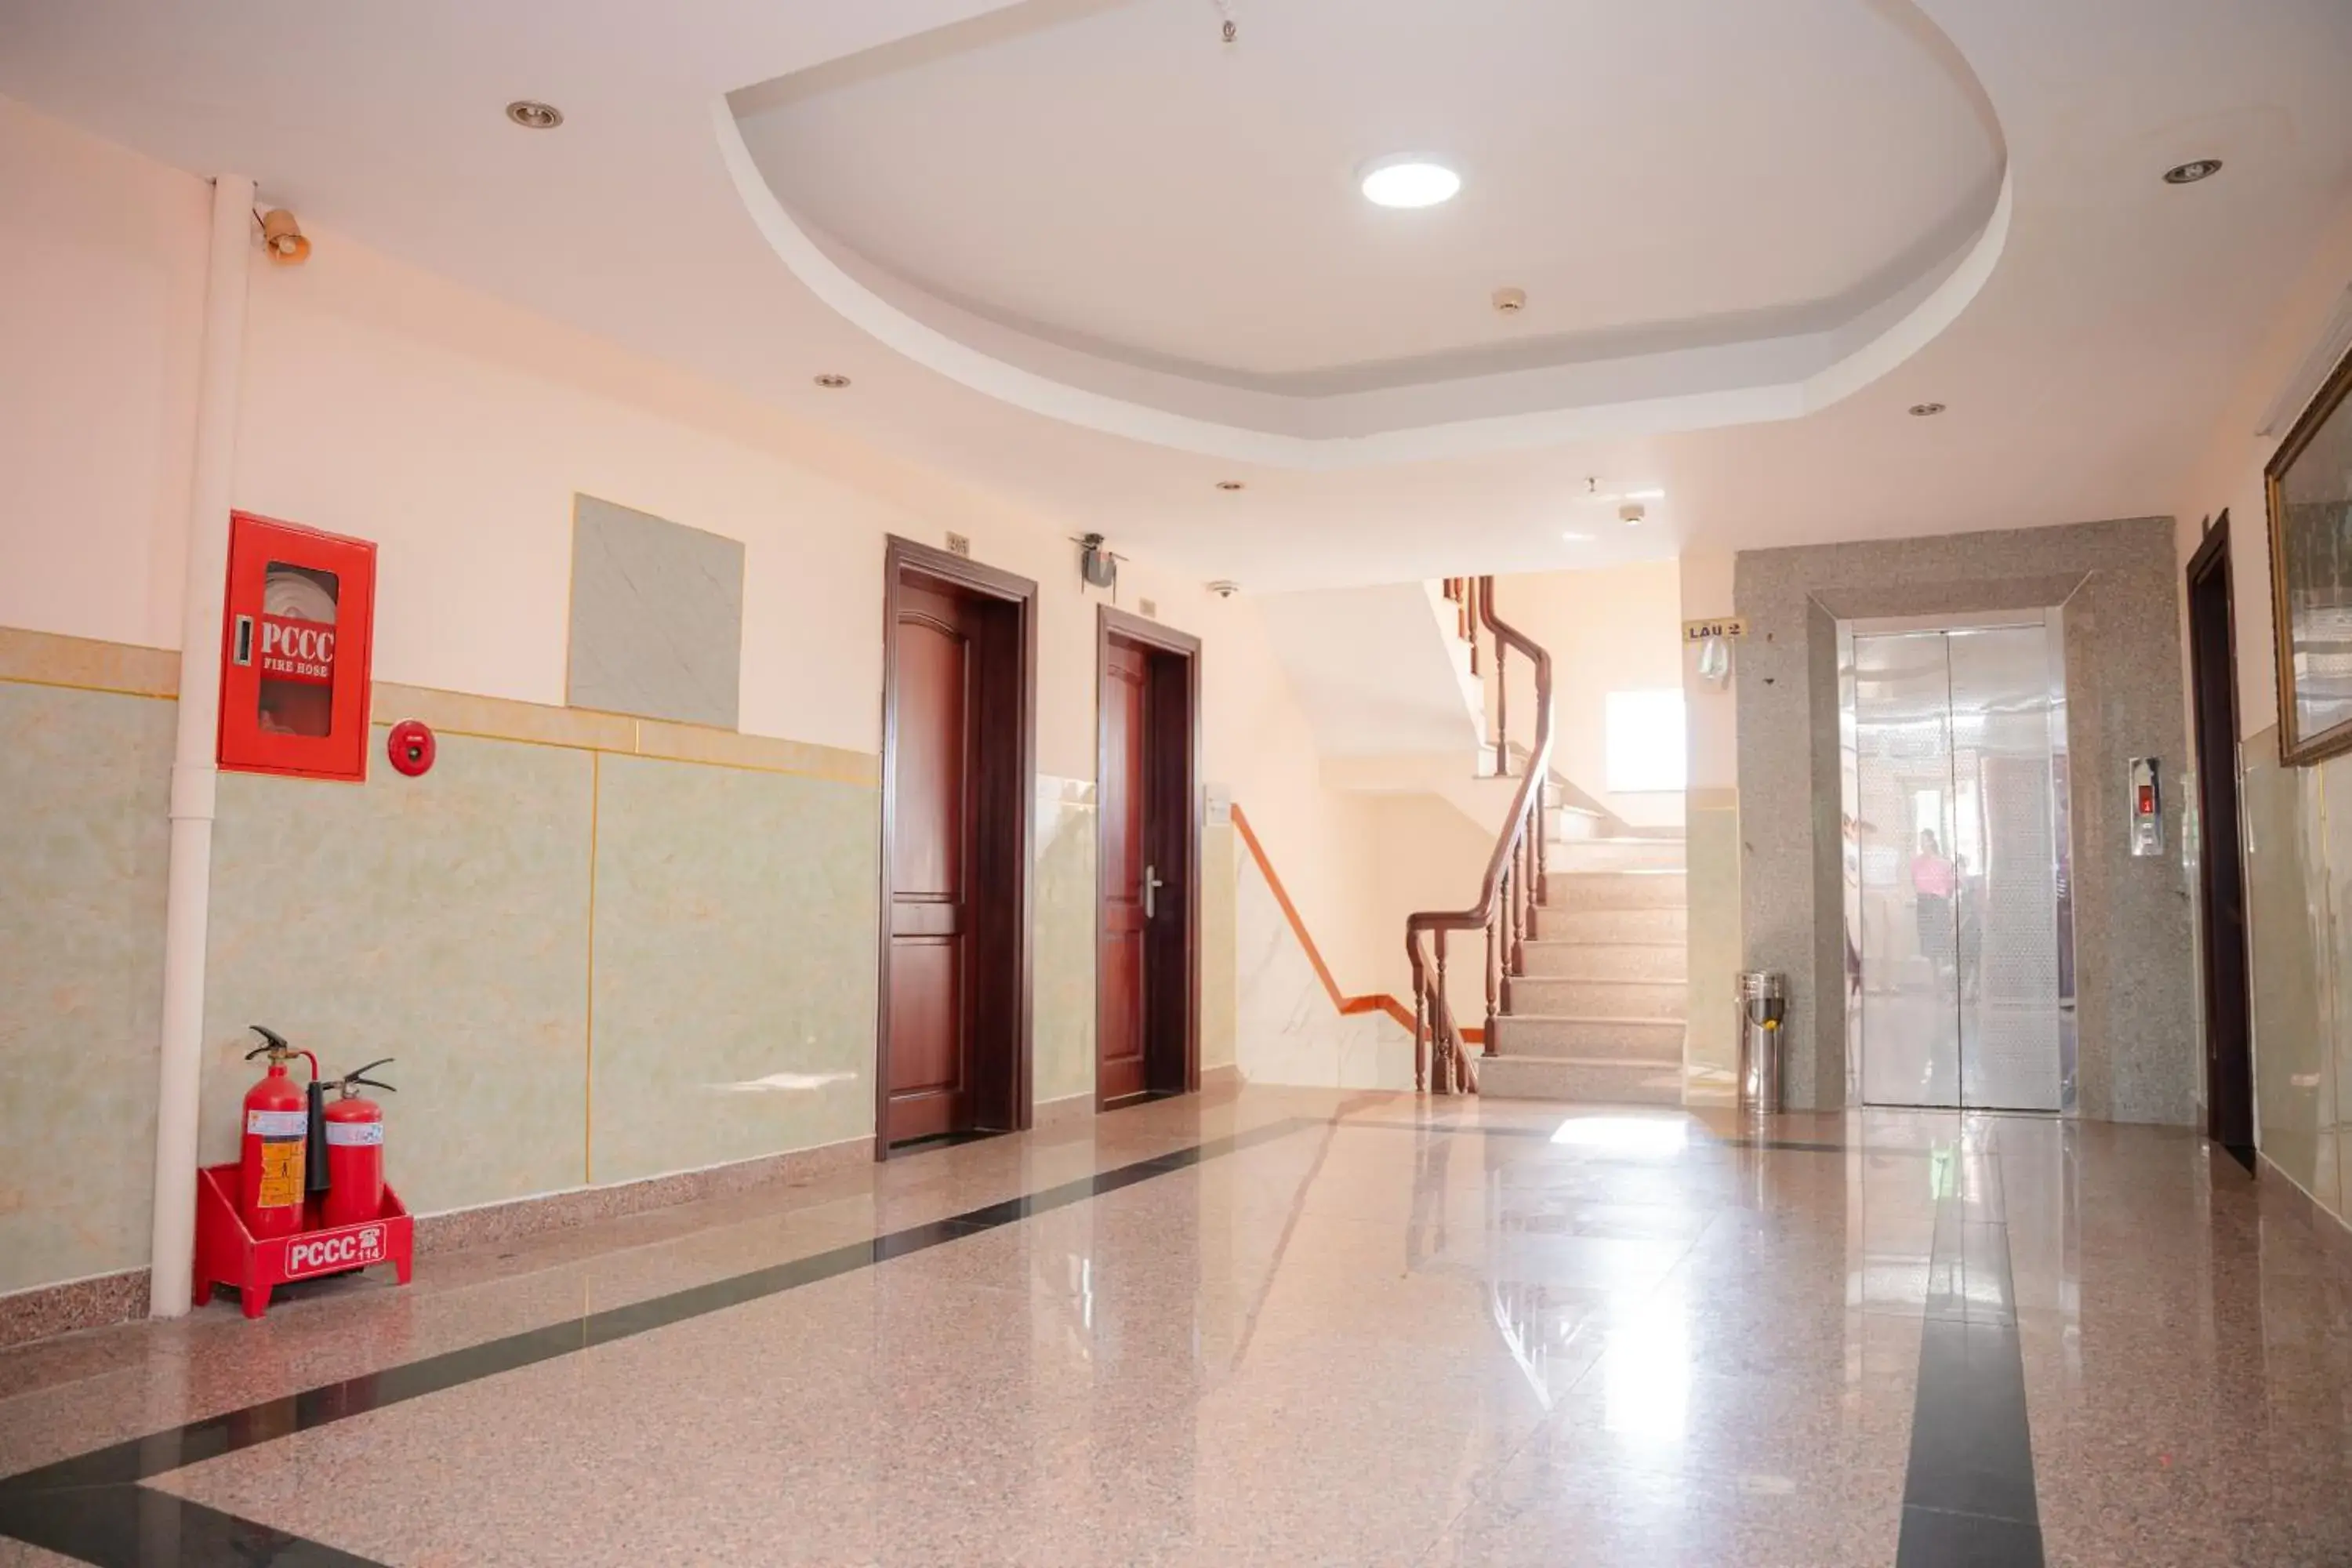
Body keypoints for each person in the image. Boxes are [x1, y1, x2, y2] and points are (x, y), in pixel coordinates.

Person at [1911, 829, 1956, 964]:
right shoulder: (1916, 862)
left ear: (1931, 841)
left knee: (1939, 940)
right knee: (1926, 940)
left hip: (1938, 903)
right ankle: (1932, 975)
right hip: (1923, 902)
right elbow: (1913, 880)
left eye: (1924, 840)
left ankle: (1943, 972)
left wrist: (1943, 898)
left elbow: (1950, 886)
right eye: (1920, 840)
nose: (1921, 844)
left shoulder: (1943, 862)